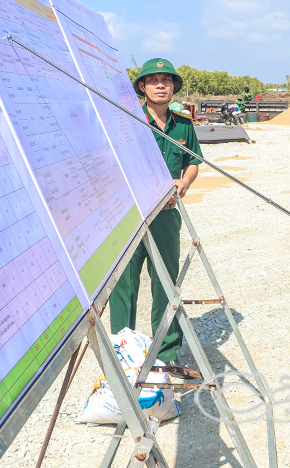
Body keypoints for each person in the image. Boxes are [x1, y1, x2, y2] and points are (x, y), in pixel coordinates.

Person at [109, 58, 203, 365]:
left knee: (165, 282)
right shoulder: (127, 121)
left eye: (167, 80)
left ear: (174, 87)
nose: (161, 85)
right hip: (132, 214)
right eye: (153, 80)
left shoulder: (184, 125)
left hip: (166, 215)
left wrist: (184, 182)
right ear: (142, 87)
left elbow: (193, 161)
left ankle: (166, 352)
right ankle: (124, 353)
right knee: (125, 284)